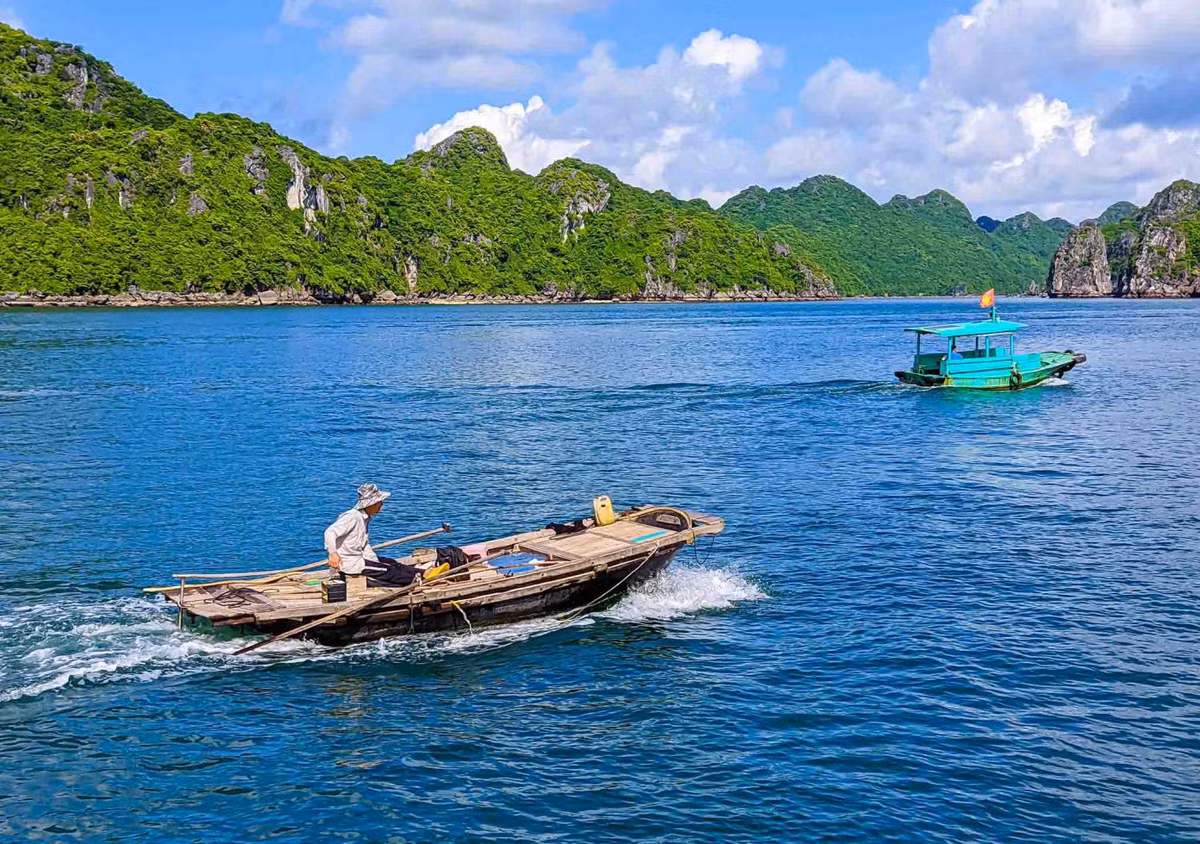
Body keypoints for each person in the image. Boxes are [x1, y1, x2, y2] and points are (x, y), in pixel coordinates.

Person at [324, 483, 421, 593]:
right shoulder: (352, 517)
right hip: (352, 564)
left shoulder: (364, 518)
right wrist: (333, 554)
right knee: (388, 571)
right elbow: (329, 532)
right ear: (372, 503)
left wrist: (375, 561)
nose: (382, 505)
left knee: (391, 563)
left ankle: (422, 572)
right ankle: (421, 578)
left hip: (360, 558)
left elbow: (364, 545)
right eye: (379, 502)